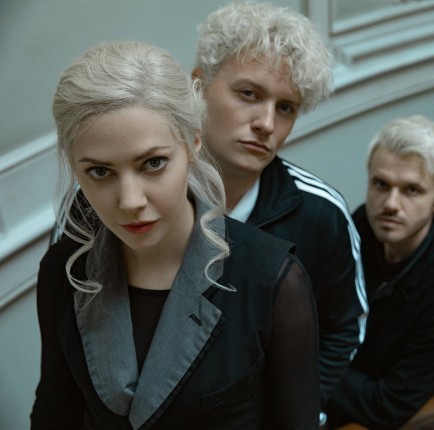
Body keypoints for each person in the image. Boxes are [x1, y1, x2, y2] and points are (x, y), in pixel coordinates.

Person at [31, 40, 319, 429]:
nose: (130, 201)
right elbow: (54, 413)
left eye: (153, 163)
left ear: (193, 141)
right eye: (99, 172)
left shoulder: (273, 282)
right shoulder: (63, 271)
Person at [191, 1, 368, 411]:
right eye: (249, 94)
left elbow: (344, 327)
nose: (266, 123)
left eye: (285, 107)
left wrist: (299, 412)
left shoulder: (321, 213)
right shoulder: (133, 192)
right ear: (198, 87)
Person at [324, 115, 434, 429]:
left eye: (411, 190)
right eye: (381, 184)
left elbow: (387, 406)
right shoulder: (363, 224)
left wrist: (307, 355)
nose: (390, 204)